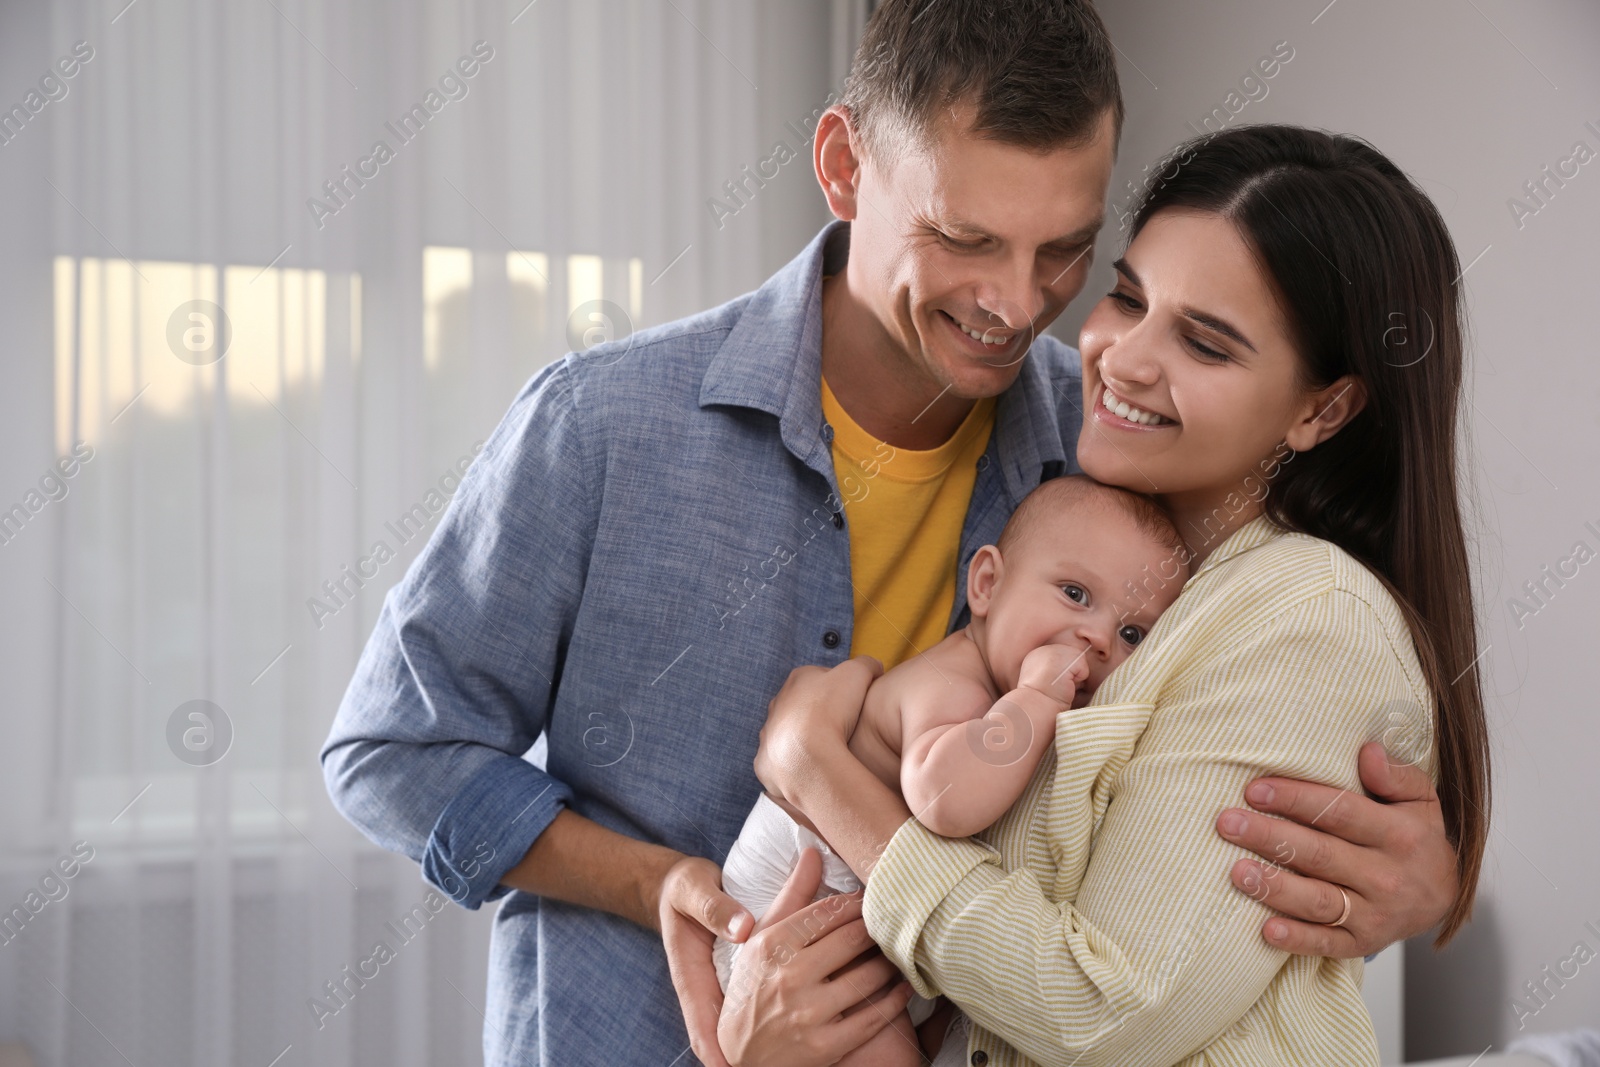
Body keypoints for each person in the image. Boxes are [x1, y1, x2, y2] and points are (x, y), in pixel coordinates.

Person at [319, 2, 1462, 1063]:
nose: (1017, 305)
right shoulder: (603, 426)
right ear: (842, 168)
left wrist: (1414, 885)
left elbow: (1201, 802)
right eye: (965, 238)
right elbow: (392, 752)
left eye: (1065, 251)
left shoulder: (1112, 447)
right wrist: (663, 884)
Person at [743, 123, 1491, 1066]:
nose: (1122, 359)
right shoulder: (1110, 545)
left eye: (1206, 344)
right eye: (1127, 297)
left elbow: (1106, 1011)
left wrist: (814, 766)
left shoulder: (1307, 616)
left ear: (1322, 408)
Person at [712, 476, 1189, 1064]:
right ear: (987, 584)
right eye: (1074, 593)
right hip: (796, 902)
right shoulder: (956, 686)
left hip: (871, 924)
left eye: (1131, 633)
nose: (1096, 638)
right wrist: (1036, 698)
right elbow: (944, 800)